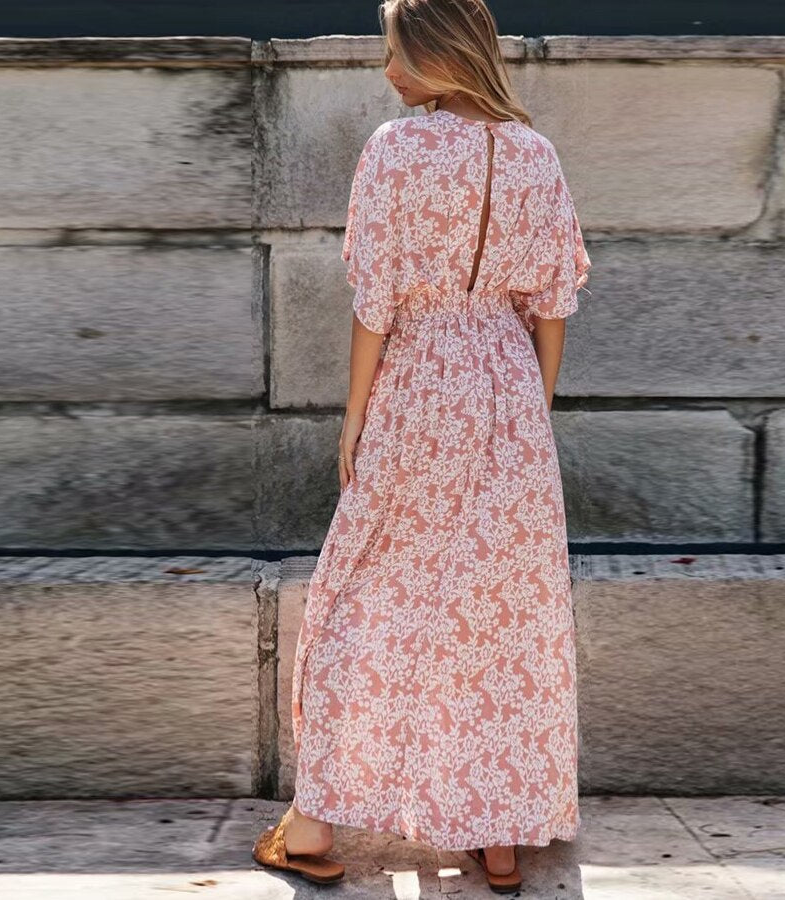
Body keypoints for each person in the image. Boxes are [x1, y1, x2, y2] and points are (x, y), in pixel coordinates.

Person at [253, 0, 591, 891]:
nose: (386, 68)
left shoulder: (398, 149)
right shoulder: (536, 155)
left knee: (361, 592)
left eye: (393, 50)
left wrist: (354, 415)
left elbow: (376, 305)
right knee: (503, 608)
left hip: (418, 385)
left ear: (437, 54)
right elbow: (552, 302)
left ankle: (316, 826)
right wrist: (530, 410)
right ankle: (500, 836)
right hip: (509, 386)